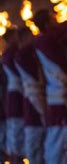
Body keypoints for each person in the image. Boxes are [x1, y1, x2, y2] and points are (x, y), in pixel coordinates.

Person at [33, 9, 67, 164]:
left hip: (61, 98)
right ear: (47, 24)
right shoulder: (44, 40)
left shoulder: (50, 40)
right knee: (58, 143)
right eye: (54, 19)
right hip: (57, 102)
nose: (57, 20)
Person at [15, 27, 46, 164]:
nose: (32, 38)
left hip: (38, 98)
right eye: (30, 36)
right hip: (32, 101)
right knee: (33, 149)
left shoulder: (29, 52)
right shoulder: (21, 54)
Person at [1, 28, 24, 162]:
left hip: (12, 105)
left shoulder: (11, 54)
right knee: (15, 144)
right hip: (13, 103)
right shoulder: (11, 55)